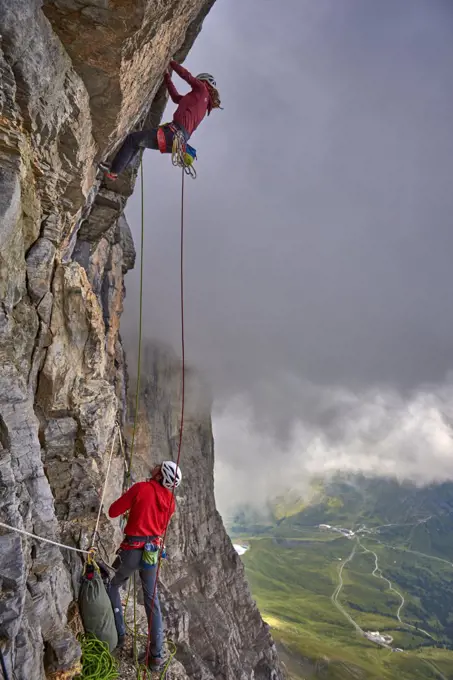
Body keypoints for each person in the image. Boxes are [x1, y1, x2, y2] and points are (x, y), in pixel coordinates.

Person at [107, 460, 182, 668]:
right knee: (152, 601)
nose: (155, 466)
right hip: (152, 554)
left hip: (132, 551)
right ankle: (156, 656)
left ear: (160, 475)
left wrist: (130, 499)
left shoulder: (141, 489)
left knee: (112, 584)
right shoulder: (170, 502)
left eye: (159, 467)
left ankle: (119, 635)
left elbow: (113, 511)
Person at [100, 61, 221, 179]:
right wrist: (167, 78)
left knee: (133, 139)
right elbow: (176, 98)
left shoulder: (202, 89)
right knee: (137, 141)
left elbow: (187, 76)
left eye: (199, 81)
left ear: (203, 82)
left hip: (173, 133)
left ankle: (114, 170)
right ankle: (115, 171)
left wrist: (171, 62)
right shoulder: (200, 104)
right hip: (177, 141)